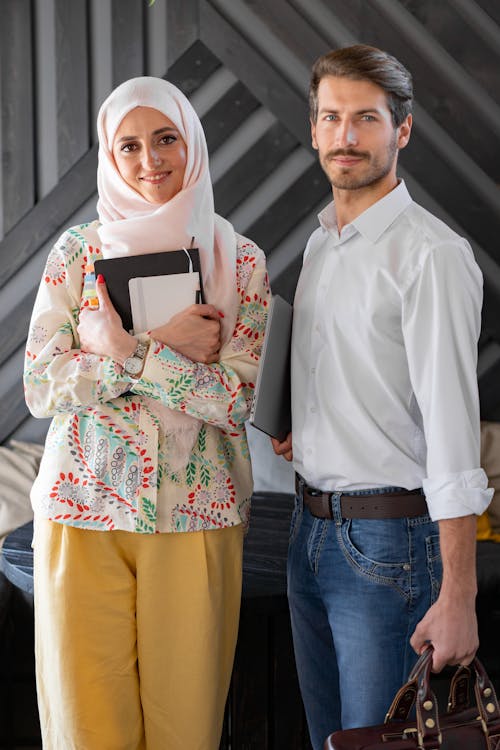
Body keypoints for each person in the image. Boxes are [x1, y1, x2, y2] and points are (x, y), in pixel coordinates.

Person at [24, 76, 270, 750]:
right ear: (110, 155)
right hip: (81, 513)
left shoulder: (241, 262)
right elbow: (42, 386)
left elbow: (236, 401)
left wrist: (128, 356)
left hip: (197, 518)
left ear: (190, 142)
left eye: (165, 139)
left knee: (185, 732)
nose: (149, 160)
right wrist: (163, 349)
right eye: (128, 145)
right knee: (85, 731)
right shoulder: (79, 254)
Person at [271, 44, 492, 749]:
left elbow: (455, 439)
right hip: (308, 533)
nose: (345, 136)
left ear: (401, 129)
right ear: (312, 129)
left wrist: (459, 594)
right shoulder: (322, 245)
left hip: (389, 547)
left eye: (364, 118)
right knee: (332, 743)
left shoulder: (431, 257)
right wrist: (305, 428)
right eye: (331, 117)